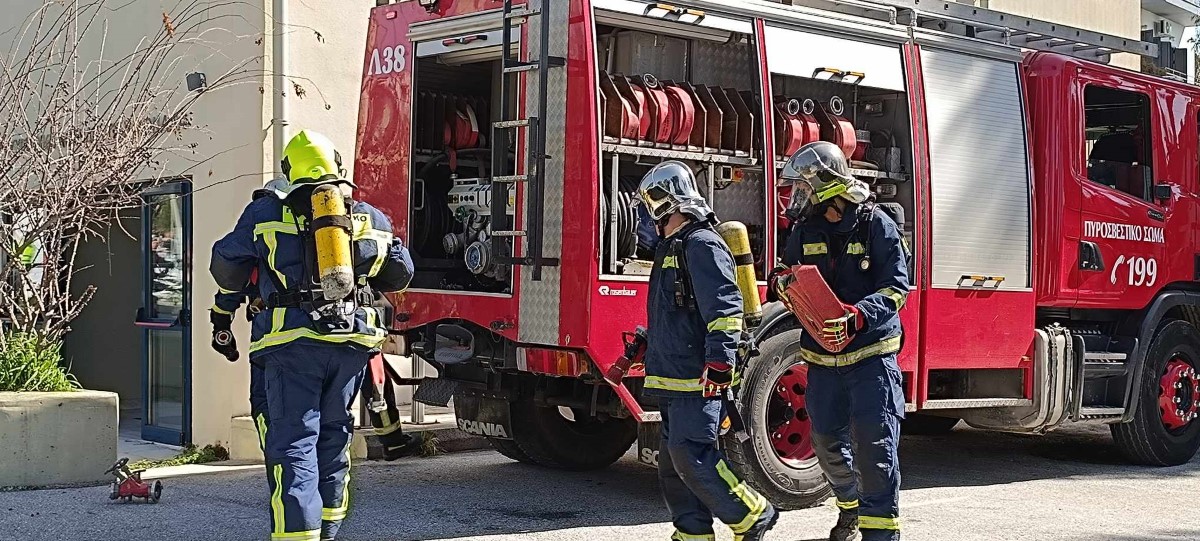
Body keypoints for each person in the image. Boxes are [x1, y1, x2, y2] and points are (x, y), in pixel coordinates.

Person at [209, 130, 414, 541]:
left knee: (294, 445)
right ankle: (329, 533)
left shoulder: (267, 212)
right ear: (338, 169)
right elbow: (401, 274)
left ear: (289, 172)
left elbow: (226, 266)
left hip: (292, 346)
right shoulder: (369, 217)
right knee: (333, 441)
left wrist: (222, 314)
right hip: (352, 345)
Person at [771, 141, 909, 541]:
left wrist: (859, 316)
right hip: (822, 361)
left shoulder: (875, 224)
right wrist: (782, 285)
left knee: (875, 450)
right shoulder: (805, 230)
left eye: (803, 188)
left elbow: (897, 288)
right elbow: (789, 272)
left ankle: (880, 534)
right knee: (827, 443)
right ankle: (850, 508)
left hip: (870, 359)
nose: (797, 198)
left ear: (827, 186)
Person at [636, 161, 777, 541]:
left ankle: (752, 514)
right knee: (673, 466)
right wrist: (646, 344)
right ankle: (693, 535)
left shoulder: (703, 244)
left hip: (696, 379)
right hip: (671, 376)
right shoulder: (672, 246)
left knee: (693, 457)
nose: (650, 210)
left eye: (653, 200)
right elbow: (675, 312)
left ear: (671, 200)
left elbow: (725, 312)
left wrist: (719, 364)